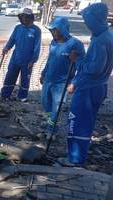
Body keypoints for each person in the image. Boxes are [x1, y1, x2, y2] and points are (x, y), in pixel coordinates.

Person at [59, 3, 113, 167]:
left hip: (89, 88)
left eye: (88, 21)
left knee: (77, 123)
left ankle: (75, 159)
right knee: (85, 122)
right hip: (97, 86)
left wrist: (78, 60)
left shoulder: (102, 40)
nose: (87, 25)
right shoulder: (104, 35)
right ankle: (77, 156)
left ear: (97, 19)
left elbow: (95, 68)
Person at [40, 16, 85, 140]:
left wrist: (74, 83)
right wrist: (43, 73)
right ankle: (50, 121)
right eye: (52, 30)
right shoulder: (53, 42)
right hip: (49, 79)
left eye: (55, 30)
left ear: (63, 29)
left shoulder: (76, 44)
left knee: (57, 107)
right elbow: (50, 59)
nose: (53, 33)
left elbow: (82, 66)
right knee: (45, 102)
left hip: (62, 83)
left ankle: (52, 130)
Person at [1, 8, 41, 102]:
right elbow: (12, 39)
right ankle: (5, 95)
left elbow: (37, 47)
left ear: (31, 18)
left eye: (26, 17)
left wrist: (33, 60)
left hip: (28, 60)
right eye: (22, 17)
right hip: (15, 58)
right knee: (10, 76)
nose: (24, 19)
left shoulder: (36, 30)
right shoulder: (18, 28)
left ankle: (22, 97)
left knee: (25, 79)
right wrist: (6, 48)